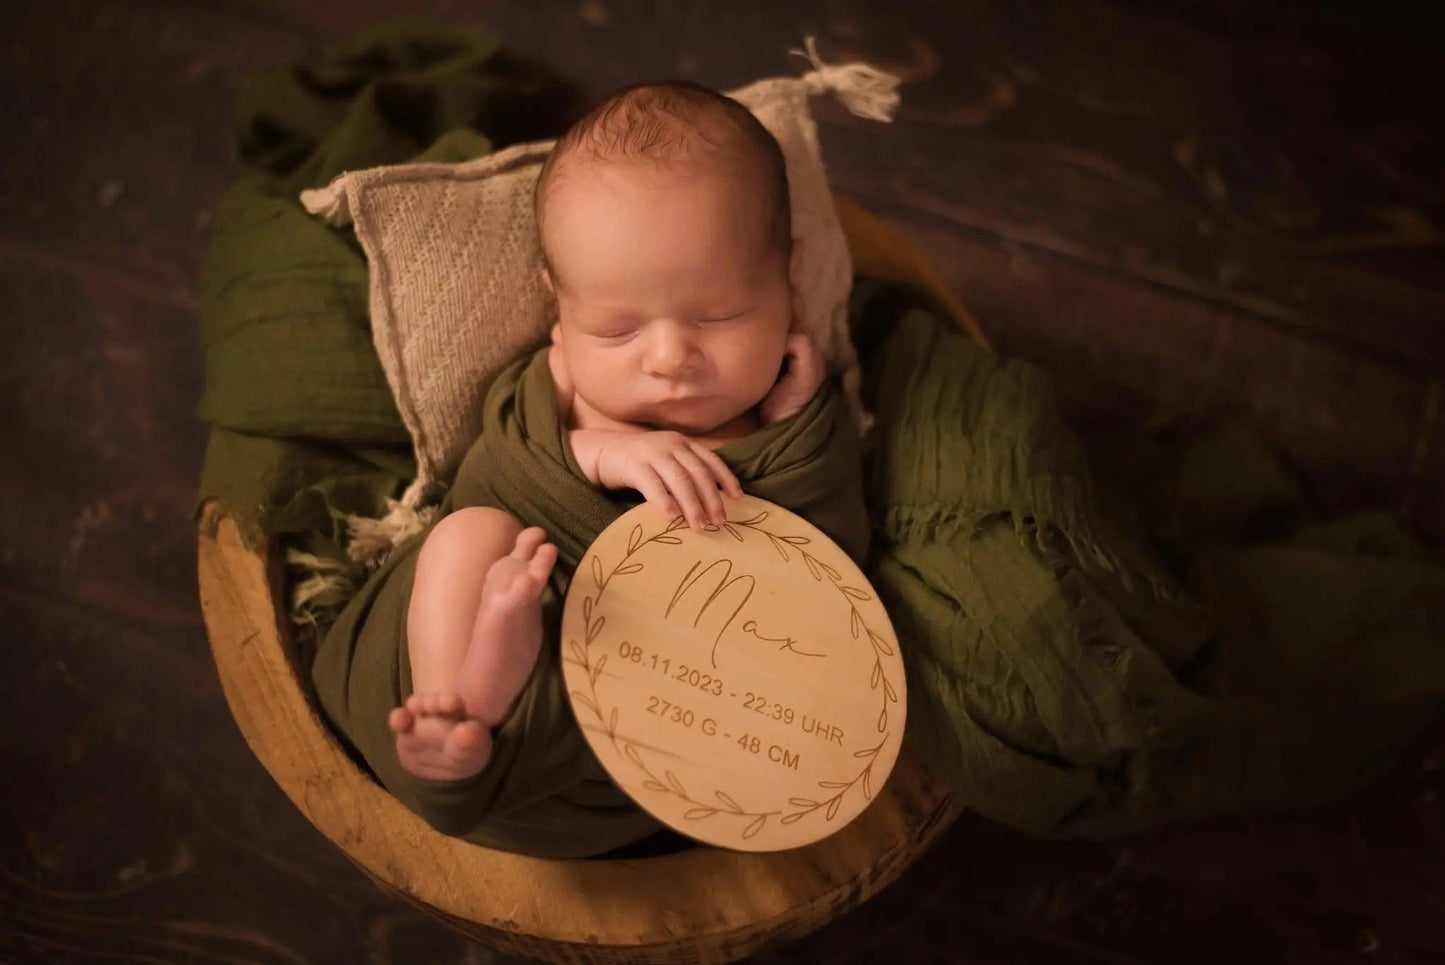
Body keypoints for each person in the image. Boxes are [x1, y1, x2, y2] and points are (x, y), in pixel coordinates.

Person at [385, 81, 836, 784]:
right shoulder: (563, 378)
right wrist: (602, 451)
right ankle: (449, 703)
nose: (668, 360)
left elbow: (827, 561)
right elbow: (498, 462)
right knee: (465, 536)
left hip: (658, 677)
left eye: (717, 316)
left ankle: (515, 686)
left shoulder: (786, 408)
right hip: (539, 567)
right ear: (559, 310)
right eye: (617, 330)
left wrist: (791, 432)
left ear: (788, 277)